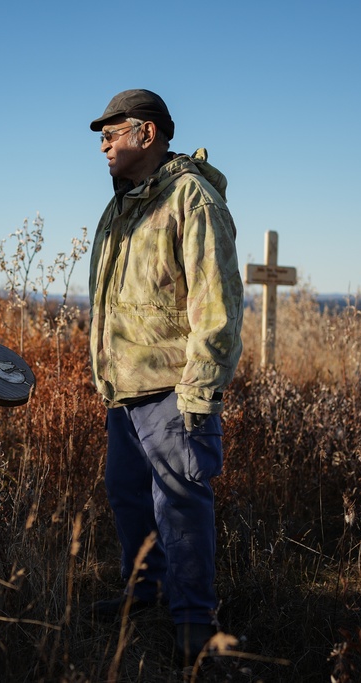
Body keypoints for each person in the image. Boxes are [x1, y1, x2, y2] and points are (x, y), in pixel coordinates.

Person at [87, 89, 244, 667]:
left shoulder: (191, 198)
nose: (103, 142)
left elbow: (217, 302)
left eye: (113, 130)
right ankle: (145, 593)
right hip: (124, 388)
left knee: (180, 500)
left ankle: (193, 624)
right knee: (127, 495)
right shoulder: (120, 206)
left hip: (174, 389)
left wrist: (200, 389)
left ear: (146, 134)